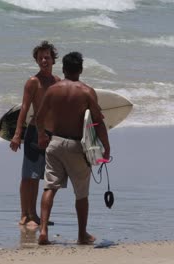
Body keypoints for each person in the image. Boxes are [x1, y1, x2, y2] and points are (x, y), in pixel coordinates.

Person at [35, 52, 110, 245]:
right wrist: (106, 147)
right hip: (77, 146)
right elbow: (98, 122)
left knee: (50, 187)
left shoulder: (53, 90)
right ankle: (82, 235)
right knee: (81, 194)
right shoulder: (86, 92)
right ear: (81, 69)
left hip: (55, 143)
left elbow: (39, 117)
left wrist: (42, 135)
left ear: (63, 69)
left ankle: (43, 231)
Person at [9, 41, 60, 227]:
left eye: (47, 57)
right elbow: (24, 108)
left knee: (38, 176)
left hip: (50, 134)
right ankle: (24, 215)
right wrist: (17, 134)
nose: (44, 60)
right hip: (33, 133)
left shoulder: (58, 82)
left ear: (53, 59)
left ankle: (34, 215)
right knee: (27, 176)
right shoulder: (33, 82)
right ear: (36, 61)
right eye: (40, 58)